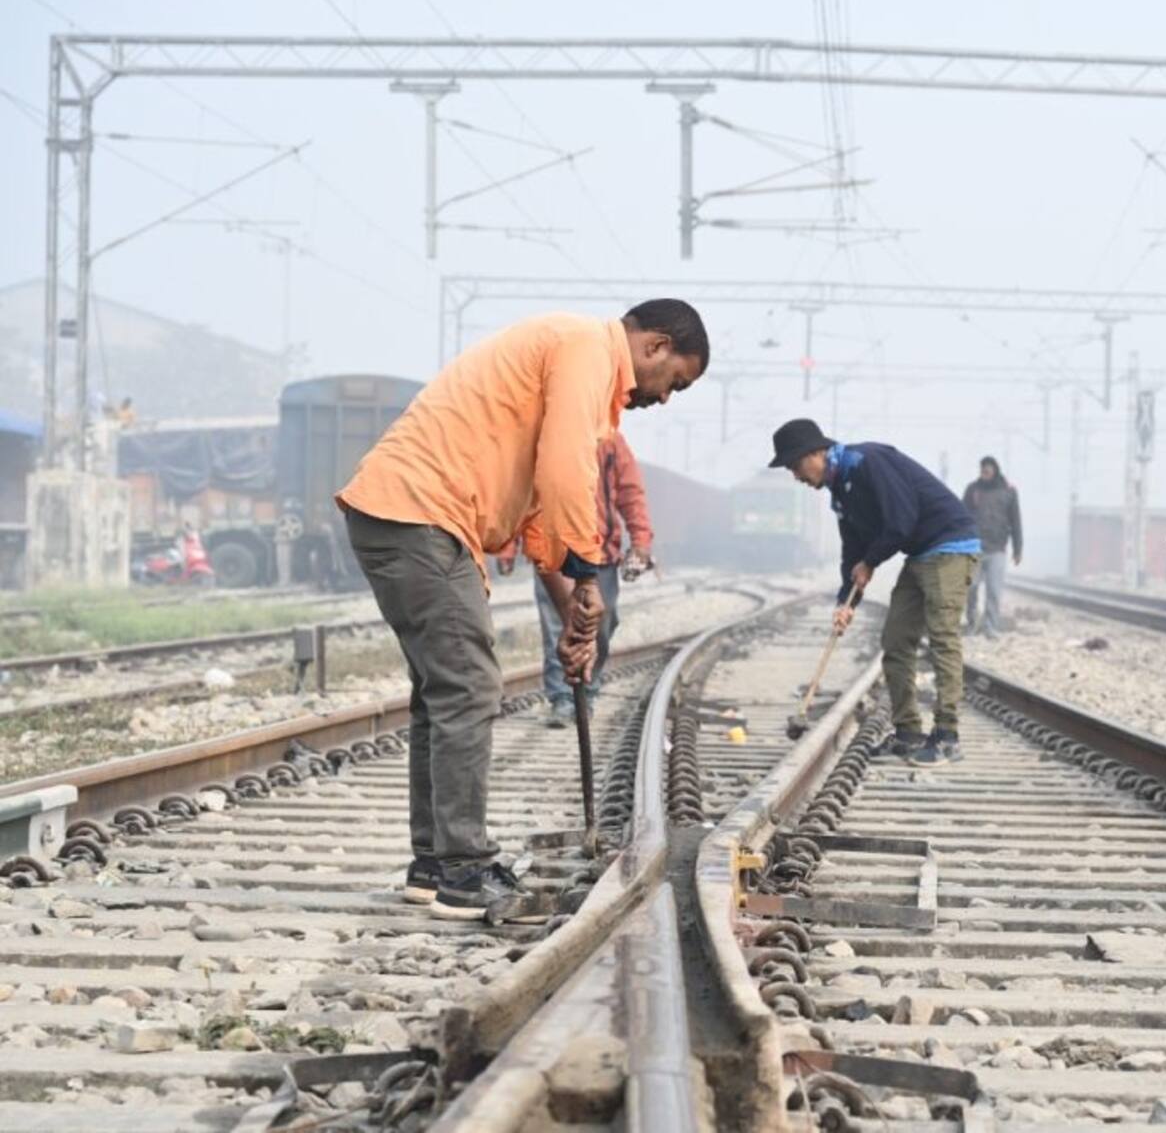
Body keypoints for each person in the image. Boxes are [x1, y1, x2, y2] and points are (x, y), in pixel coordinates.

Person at [339, 301, 707, 922]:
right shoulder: (587, 349)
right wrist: (588, 570)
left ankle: (434, 865)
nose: (666, 398)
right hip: (421, 514)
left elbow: (539, 512)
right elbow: (565, 473)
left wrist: (572, 614)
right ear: (655, 346)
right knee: (468, 684)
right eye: (676, 381)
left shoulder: (570, 356)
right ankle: (464, 871)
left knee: (442, 691)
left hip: (403, 512)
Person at [771, 418, 979, 767]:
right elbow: (853, 552)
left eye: (794, 466)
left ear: (815, 453)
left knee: (942, 638)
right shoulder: (840, 493)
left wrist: (870, 562)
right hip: (920, 553)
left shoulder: (867, 462)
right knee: (895, 641)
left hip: (950, 545)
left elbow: (901, 520)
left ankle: (947, 737)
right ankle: (908, 733)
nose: (796, 476)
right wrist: (846, 602)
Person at [496, 434, 657, 728]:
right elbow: (521, 493)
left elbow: (630, 492)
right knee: (557, 625)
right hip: (552, 549)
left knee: (602, 624)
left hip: (600, 553)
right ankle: (562, 698)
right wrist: (508, 546)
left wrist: (641, 542)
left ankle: (588, 690)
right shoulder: (542, 435)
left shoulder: (610, 440)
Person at [961, 455, 1023, 637]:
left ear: (995, 470)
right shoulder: (972, 490)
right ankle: (972, 623)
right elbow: (961, 517)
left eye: (988, 470)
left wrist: (1018, 549)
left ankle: (991, 627)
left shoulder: (1008, 491)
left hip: (997, 549)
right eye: (982, 470)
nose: (985, 473)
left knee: (994, 591)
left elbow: (1015, 521)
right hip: (974, 548)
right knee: (971, 588)